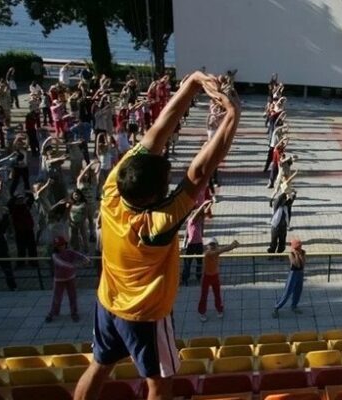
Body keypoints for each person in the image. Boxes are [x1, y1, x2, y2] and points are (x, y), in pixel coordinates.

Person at [74, 71, 240, 400]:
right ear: (154, 196)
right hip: (145, 316)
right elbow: (200, 171)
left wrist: (192, 83)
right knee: (160, 383)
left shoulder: (114, 187)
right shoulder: (157, 224)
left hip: (108, 303)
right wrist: (233, 114)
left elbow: (157, 131)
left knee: (99, 365)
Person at [46, 236, 90, 323]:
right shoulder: (55, 255)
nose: (61, 247)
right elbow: (62, 264)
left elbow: (79, 255)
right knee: (57, 297)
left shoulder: (69, 252)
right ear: (56, 247)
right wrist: (75, 266)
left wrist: (86, 259)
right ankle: (53, 312)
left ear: (65, 244)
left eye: (62, 244)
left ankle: (74, 313)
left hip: (70, 278)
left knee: (72, 296)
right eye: (59, 246)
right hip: (59, 280)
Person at [198, 238, 239, 322]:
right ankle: (202, 312)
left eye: (214, 244)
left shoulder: (215, 252)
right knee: (204, 295)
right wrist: (231, 246)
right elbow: (221, 250)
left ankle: (219, 309)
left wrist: (231, 246)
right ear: (207, 246)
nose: (212, 246)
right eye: (211, 244)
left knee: (217, 294)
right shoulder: (208, 253)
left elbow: (220, 251)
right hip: (206, 277)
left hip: (215, 276)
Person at [272, 239, 306, 318]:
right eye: (297, 247)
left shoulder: (303, 252)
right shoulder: (291, 254)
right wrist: (297, 255)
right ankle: (277, 307)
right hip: (293, 274)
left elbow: (303, 264)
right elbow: (297, 264)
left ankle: (294, 306)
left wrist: (300, 255)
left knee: (298, 291)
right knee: (287, 292)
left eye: (299, 247)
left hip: (300, 273)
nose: (299, 248)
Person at [182, 200, 211, 285]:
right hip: (191, 244)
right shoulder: (191, 221)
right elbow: (198, 213)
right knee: (188, 262)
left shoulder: (199, 221)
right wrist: (203, 204)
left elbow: (204, 212)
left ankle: (198, 277)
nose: (200, 216)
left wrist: (210, 204)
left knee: (199, 262)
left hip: (199, 244)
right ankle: (185, 278)